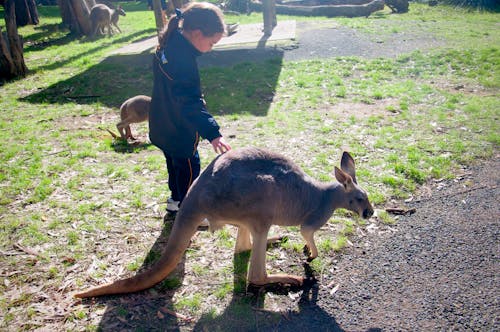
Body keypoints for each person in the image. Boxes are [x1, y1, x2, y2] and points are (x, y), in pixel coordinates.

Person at [149, 2, 232, 222]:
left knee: (174, 165)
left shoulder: (171, 41)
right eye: (212, 42)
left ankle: (176, 200)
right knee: (188, 168)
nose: (212, 48)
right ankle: (188, 211)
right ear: (196, 34)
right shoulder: (183, 61)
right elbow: (190, 102)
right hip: (178, 128)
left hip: (162, 121)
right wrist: (213, 132)